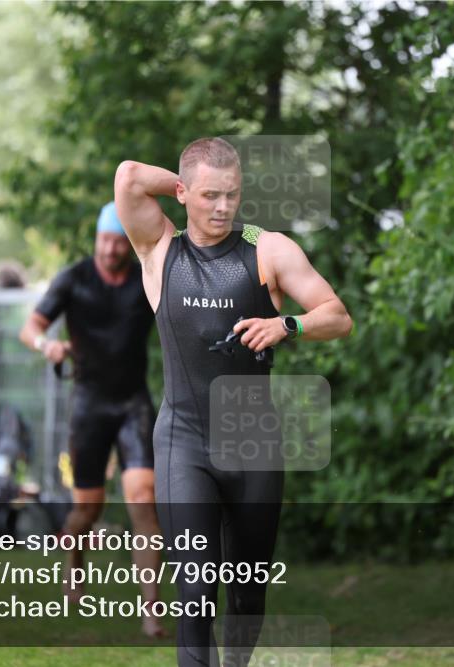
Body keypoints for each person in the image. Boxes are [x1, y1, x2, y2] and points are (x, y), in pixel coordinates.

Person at [114, 137, 353, 666]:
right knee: (195, 594)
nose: (223, 208)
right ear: (182, 193)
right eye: (209, 196)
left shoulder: (268, 249)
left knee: (245, 598)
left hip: (253, 444)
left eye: (232, 195)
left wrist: (287, 324)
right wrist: (180, 183)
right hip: (184, 441)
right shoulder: (159, 249)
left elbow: (338, 315)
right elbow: (129, 175)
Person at [19, 202, 166, 638]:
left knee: (143, 499)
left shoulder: (146, 279)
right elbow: (31, 327)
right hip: (88, 405)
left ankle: (151, 610)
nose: (109, 248)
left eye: (118, 241)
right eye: (103, 239)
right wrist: (47, 345)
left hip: (132, 403)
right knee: (88, 509)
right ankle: (75, 557)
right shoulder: (75, 278)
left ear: (129, 242)